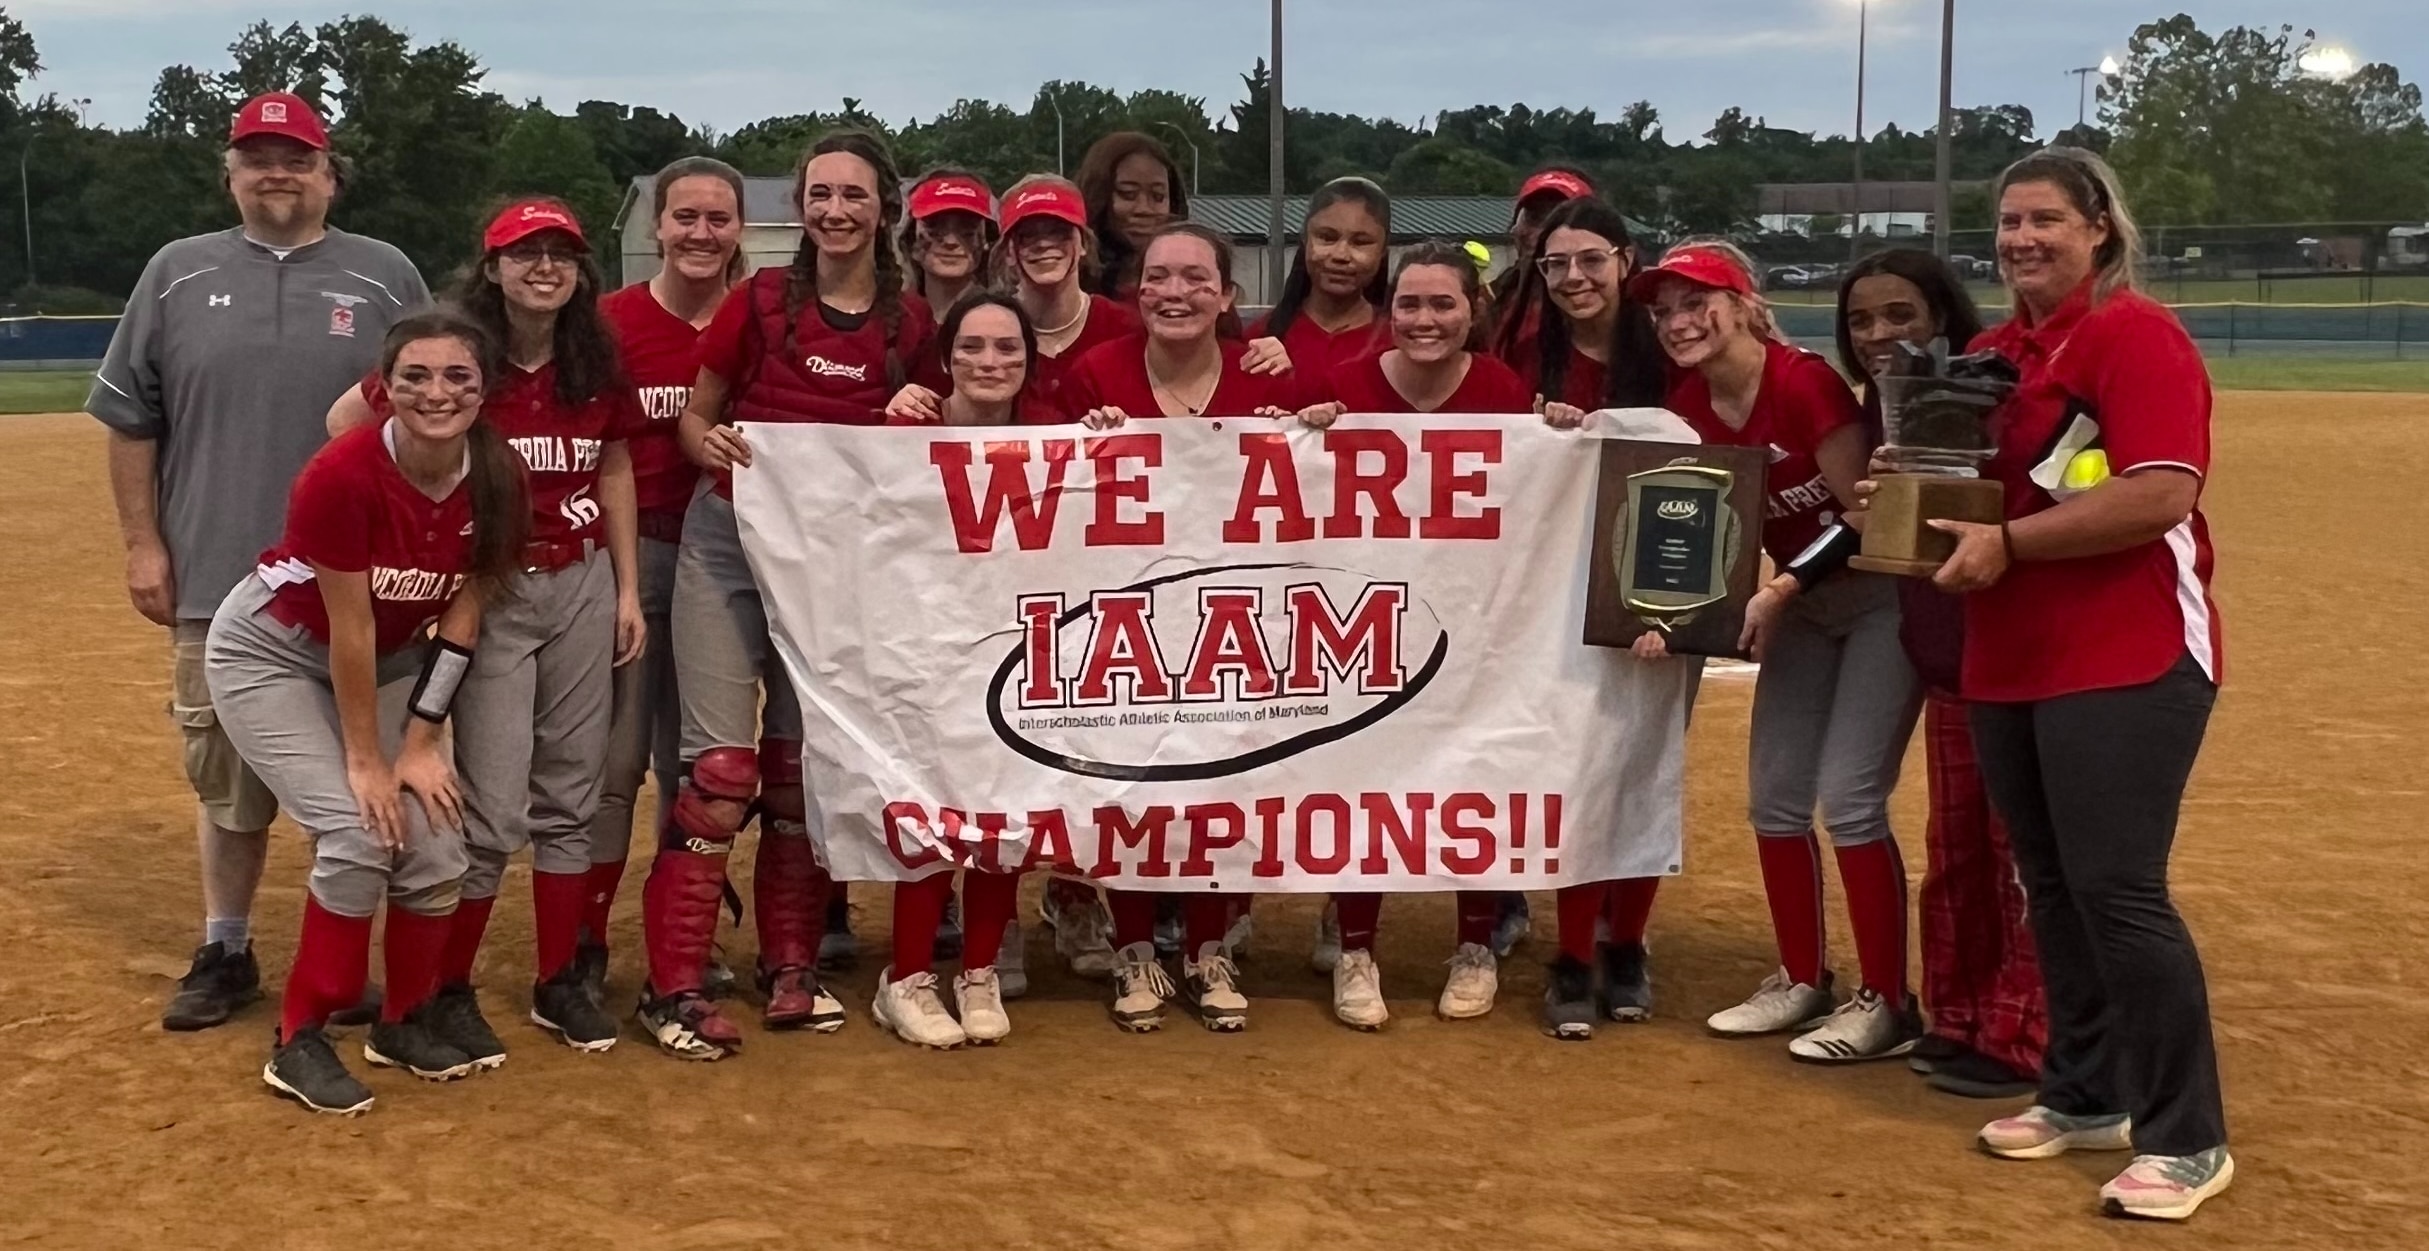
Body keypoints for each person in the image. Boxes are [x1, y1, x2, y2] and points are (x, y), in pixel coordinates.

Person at [1897, 147, 2232, 1221]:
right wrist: (1898, 496)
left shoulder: (2135, 335)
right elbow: (1969, 502)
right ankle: (2082, 1092)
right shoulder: (1995, 351)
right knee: (2048, 886)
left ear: (2097, 227)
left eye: (2043, 218)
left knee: (2118, 892)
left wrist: (2012, 549)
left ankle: (2185, 1137)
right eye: (2005, 222)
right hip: (2012, 655)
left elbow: (2157, 496)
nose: (2020, 239)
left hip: (2125, 653)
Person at [88, 91, 430, 1033]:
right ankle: (227, 945)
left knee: (369, 778)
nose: (276, 172)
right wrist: (141, 543)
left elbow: (439, 400)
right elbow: (130, 420)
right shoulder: (175, 273)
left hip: (364, 581)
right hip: (215, 572)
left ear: (330, 173)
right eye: (257, 157)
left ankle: (342, 958)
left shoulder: (384, 273)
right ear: (231, 175)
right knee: (228, 781)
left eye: (296, 156)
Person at [329, 198, 647, 1058]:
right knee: (494, 804)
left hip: (580, 578)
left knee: (572, 792)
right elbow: (349, 425)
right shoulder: (458, 357)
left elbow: (612, 461)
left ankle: (556, 980)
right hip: (494, 588)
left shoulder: (592, 358)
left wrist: (624, 587)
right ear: (494, 265)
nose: (543, 267)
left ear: (581, 271)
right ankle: (448, 986)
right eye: (523, 253)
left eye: (561, 254)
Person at [640, 130, 934, 1060]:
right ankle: (675, 981)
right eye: (819, 194)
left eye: (853, 195)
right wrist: (709, 443)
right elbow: (696, 412)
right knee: (718, 772)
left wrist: (916, 416)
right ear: (798, 206)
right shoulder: (760, 301)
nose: (835, 211)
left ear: (883, 207)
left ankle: (791, 963)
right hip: (730, 543)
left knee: (799, 771)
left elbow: (937, 448)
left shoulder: (910, 322)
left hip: (835, 566)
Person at [207, 311, 528, 1114]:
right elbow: (347, 627)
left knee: (433, 835)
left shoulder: (496, 476)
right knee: (359, 825)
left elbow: (464, 611)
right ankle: (300, 1034)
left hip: (386, 665)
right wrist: (366, 760)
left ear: (486, 392)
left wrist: (419, 743)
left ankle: (402, 1019)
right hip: (273, 651)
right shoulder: (342, 472)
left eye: (458, 376)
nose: (436, 392)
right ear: (383, 388)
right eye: (414, 376)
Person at [1624, 242, 1925, 1062]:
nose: (1679, 322)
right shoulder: (1686, 398)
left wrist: (1781, 587)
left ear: (1743, 303)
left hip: (1874, 603)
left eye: (1696, 302)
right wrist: (1667, 613)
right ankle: (1800, 976)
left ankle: (1887, 1003)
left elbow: (1866, 514)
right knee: (1775, 797)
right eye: (1663, 310)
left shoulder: (1801, 382)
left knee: (1851, 798)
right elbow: (1697, 519)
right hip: (1800, 609)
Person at [1291, 241, 1540, 1030]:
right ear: (1387, 308)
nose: (1424, 319)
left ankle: (1474, 944)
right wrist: (1306, 431)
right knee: (1362, 776)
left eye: (1442, 304)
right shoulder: (1345, 388)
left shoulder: (1506, 393)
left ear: (1474, 311)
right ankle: (1356, 947)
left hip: (1476, 624)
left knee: (1479, 773)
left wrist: (1557, 434)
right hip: (1365, 624)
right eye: (1409, 303)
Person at [1062, 222, 1299, 1033]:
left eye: (1197, 279)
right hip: (1126, 617)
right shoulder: (1092, 375)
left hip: (1236, 622)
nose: (1175, 293)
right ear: (1136, 294)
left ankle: (1206, 945)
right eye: (1159, 277)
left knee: (1222, 783)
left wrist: (1310, 420)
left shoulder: (1265, 380)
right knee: (1133, 782)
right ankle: (1133, 945)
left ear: (1228, 297)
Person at [1833, 248, 2045, 1099]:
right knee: (1953, 845)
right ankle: (1958, 1012)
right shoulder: (1882, 409)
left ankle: (2021, 1029)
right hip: (1943, 651)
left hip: (2013, 649)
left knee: (2014, 850)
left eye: (1899, 316)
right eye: (1860, 321)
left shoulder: (1982, 386)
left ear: (1941, 317)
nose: (1879, 334)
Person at [1494, 197, 1673, 1038]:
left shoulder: (1668, 348)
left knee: (1644, 754)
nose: (1572, 278)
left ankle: (1625, 941)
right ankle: (1571, 950)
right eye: (1555, 263)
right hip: (1557, 583)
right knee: (1575, 756)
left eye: (1589, 260)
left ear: (1625, 259)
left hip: (1663, 575)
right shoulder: (1528, 348)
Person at [589, 156, 750, 1006]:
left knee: (695, 767)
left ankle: (677, 941)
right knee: (614, 764)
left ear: (739, 231)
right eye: (684, 216)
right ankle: (584, 939)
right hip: (628, 555)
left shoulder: (758, 320)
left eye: (717, 218)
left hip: (723, 561)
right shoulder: (610, 321)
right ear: (655, 225)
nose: (700, 233)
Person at [868, 292, 1044, 1048]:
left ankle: (978, 966)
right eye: (971, 347)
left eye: (1007, 348)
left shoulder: (1053, 445)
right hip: (921, 652)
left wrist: (1103, 437)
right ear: (945, 357)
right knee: (931, 811)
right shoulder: (905, 431)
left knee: (1004, 809)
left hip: (1014, 652)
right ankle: (905, 973)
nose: (989, 362)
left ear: (1029, 362)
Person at [1247, 177, 1393, 380]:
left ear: (1383, 251)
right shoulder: (1260, 339)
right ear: (1305, 239)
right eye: (1327, 237)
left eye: (1360, 242)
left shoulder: (1397, 341)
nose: (1341, 255)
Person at [1076, 132, 1186, 305]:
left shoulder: (1196, 291)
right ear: (1097, 196)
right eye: (1128, 194)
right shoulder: (1065, 291)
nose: (1144, 209)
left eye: (1158, 196)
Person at [1487, 165, 1596, 333]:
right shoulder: (1489, 300)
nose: (1541, 233)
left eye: (1559, 220)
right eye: (1533, 217)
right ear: (1514, 225)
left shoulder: (1621, 313)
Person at [901, 168, 996, 324]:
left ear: (985, 239)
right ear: (911, 239)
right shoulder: (890, 321)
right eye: (934, 226)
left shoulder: (1008, 322)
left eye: (967, 229)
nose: (951, 242)